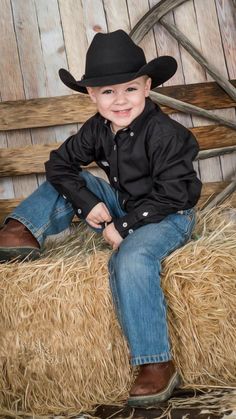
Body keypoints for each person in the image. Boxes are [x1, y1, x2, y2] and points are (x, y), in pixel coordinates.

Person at [0, 30, 202, 406]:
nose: (120, 100)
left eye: (129, 89)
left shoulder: (166, 134)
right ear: (92, 96)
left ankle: (156, 363)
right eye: (108, 92)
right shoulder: (97, 128)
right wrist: (86, 203)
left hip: (168, 213)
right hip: (125, 203)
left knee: (132, 258)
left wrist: (122, 226)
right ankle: (23, 230)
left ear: (147, 86)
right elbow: (59, 165)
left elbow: (177, 194)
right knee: (71, 180)